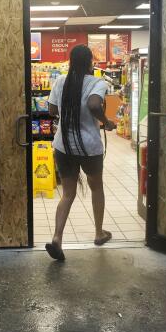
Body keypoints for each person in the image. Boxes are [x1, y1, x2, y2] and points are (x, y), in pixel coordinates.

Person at [45, 44, 116, 261]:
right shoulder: (97, 82)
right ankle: (99, 233)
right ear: (90, 62)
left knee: (67, 194)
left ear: (70, 61)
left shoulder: (60, 82)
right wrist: (107, 122)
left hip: (64, 146)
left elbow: (51, 110)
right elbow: (94, 104)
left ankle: (57, 238)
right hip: (89, 147)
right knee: (96, 188)